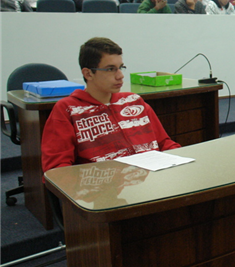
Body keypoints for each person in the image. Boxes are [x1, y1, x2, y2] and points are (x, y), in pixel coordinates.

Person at [41, 37, 181, 173]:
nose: (120, 76)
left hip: (151, 181)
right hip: (104, 189)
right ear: (88, 74)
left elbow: (164, 144)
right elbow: (57, 170)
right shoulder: (67, 110)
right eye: (110, 69)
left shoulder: (134, 101)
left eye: (121, 67)